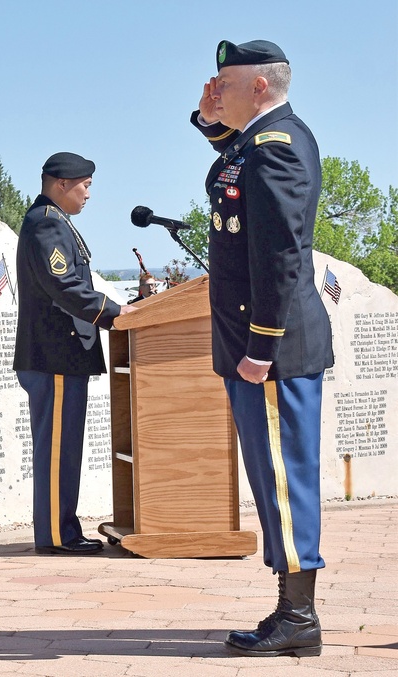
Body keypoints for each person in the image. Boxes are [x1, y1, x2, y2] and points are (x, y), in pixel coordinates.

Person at [192, 40, 333, 657]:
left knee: (284, 480)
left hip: (270, 349)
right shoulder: (258, 142)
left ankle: (299, 617)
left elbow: (278, 256)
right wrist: (207, 122)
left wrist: (261, 346)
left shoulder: (278, 149)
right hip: (254, 347)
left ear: (260, 87)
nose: (214, 87)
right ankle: (290, 608)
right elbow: (232, 170)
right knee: (271, 478)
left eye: (225, 80)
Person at [13, 152, 134, 556]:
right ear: (60, 184)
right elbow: (63, 286)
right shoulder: (46, 224)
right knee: (57, 450)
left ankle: (62, 529)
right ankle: (56, 535)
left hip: (62, 355)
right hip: (54, 354)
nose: (88, 195)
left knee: (64, 449)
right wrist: (114, 313)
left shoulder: (55, 222)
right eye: (84, 186)